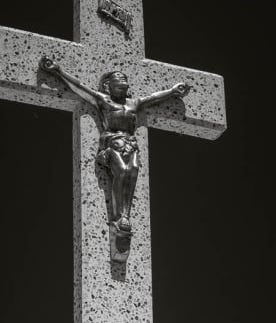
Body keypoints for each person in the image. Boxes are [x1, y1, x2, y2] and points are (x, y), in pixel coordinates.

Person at [40, 56, 190, 234]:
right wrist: (58, 71)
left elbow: (153, 98)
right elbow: (80, 87)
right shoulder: (103, 100)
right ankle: (119, 217)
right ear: (107, 85)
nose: (122, 82)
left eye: (124, 80)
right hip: (112, 143)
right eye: (117, 79)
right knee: (122, 171)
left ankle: (125, 215)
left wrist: (172, 91)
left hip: (131, 144)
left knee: (132, 171)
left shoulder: (134, 103)